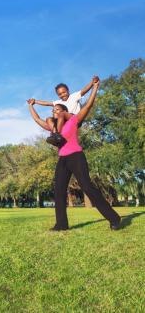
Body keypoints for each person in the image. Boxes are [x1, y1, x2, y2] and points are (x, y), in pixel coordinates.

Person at [27, 79, 121, 231]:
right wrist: (31, 106)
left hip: (76, 156)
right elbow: (37, 119)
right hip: (63, 159)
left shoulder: (74, 121)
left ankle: (114, 218)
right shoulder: (53, 129)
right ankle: (61, 224)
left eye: (57, 110)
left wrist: (95, 87)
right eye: (53, 111)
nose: (54, 112)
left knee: (87, 187)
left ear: (64, 111)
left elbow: (88, 105)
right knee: (58, 191)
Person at [33, 76, 99, 131]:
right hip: (65, 122)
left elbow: (85, 90)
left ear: (68, 91)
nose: (62, 95)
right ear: (58, 95)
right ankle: (55, 133)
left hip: (74, 118)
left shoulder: (74, 96)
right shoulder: (58, 102)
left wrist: (92, 82)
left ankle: (57, 134)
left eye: (64, 92)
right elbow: (47, 103)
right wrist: (35, 101)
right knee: (48, 119)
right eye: (60, 94)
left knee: (62, 113)